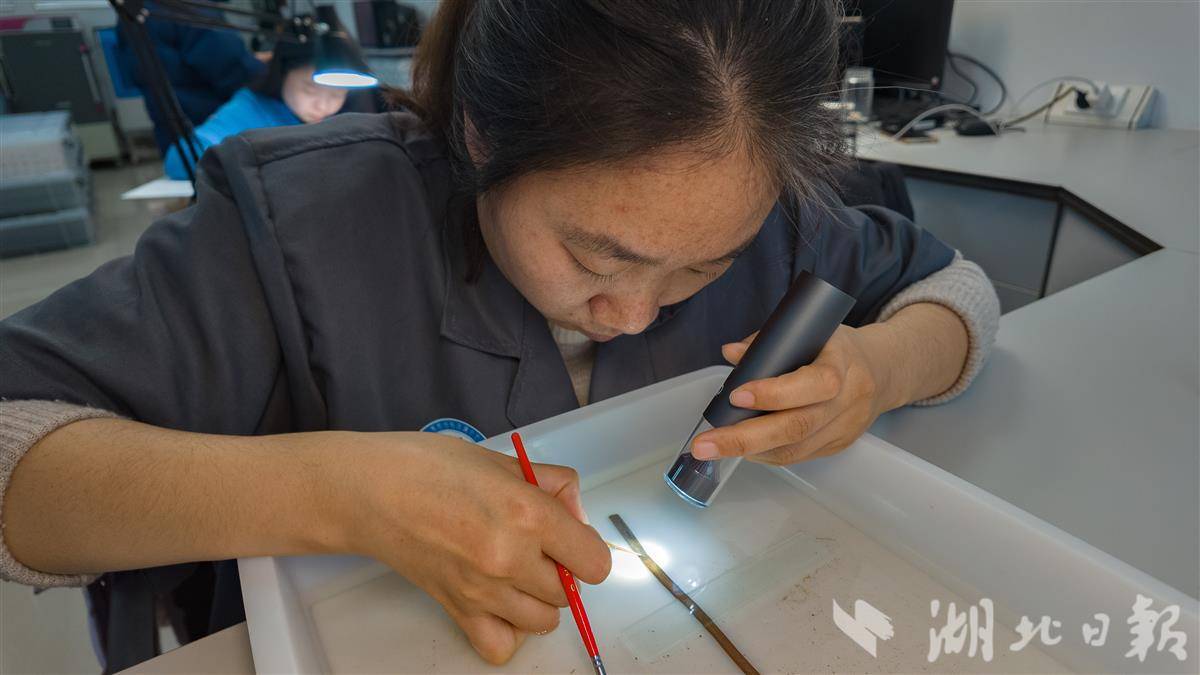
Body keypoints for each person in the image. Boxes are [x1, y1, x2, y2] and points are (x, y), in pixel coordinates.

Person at [0, 0, 1000, 669]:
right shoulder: (296, 227)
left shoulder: (775, 221)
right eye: (595, 256)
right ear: (481, 135)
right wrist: (334, 495)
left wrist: (877, 368)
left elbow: (958, 291)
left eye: (703, 269)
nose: (636, 312)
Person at [162, 40, 357, 180]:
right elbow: (179, 160)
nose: (322, 106)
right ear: (282, 73)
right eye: (310, 90)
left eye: (337, 95)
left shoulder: (347, 117)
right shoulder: (249, 110)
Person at [115, 0, 267, 155]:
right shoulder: (188, 8)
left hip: (176, 139)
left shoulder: (133, 10)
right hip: (218, 135)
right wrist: (272, 71)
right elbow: (235, 70)